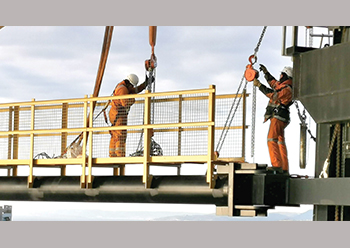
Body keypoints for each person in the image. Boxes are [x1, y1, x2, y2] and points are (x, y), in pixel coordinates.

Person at [253, 65, 293, 174]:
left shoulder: (287, 90)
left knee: (271, 139)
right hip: (281, 116)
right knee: (280, 141)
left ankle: (277, 166)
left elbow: (273, 95)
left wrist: (260, 85)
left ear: (285, 76)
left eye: (282, 75)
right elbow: (273, 83)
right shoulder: (284, 86)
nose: (280, 76)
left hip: (278, 116)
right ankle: (284, 167)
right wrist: (266, 73)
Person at [108, 73, 151, 157]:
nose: (132, 88)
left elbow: (135, 90)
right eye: (132, 86)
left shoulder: (124, 87)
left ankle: (112, 154)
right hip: (118, 115)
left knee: (115, 134)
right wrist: (132, 100)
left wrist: (145, 84)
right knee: (120, 134)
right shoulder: (123, 90)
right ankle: (119, 155)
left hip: (115, 114)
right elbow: (125, 103)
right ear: (129, 84)